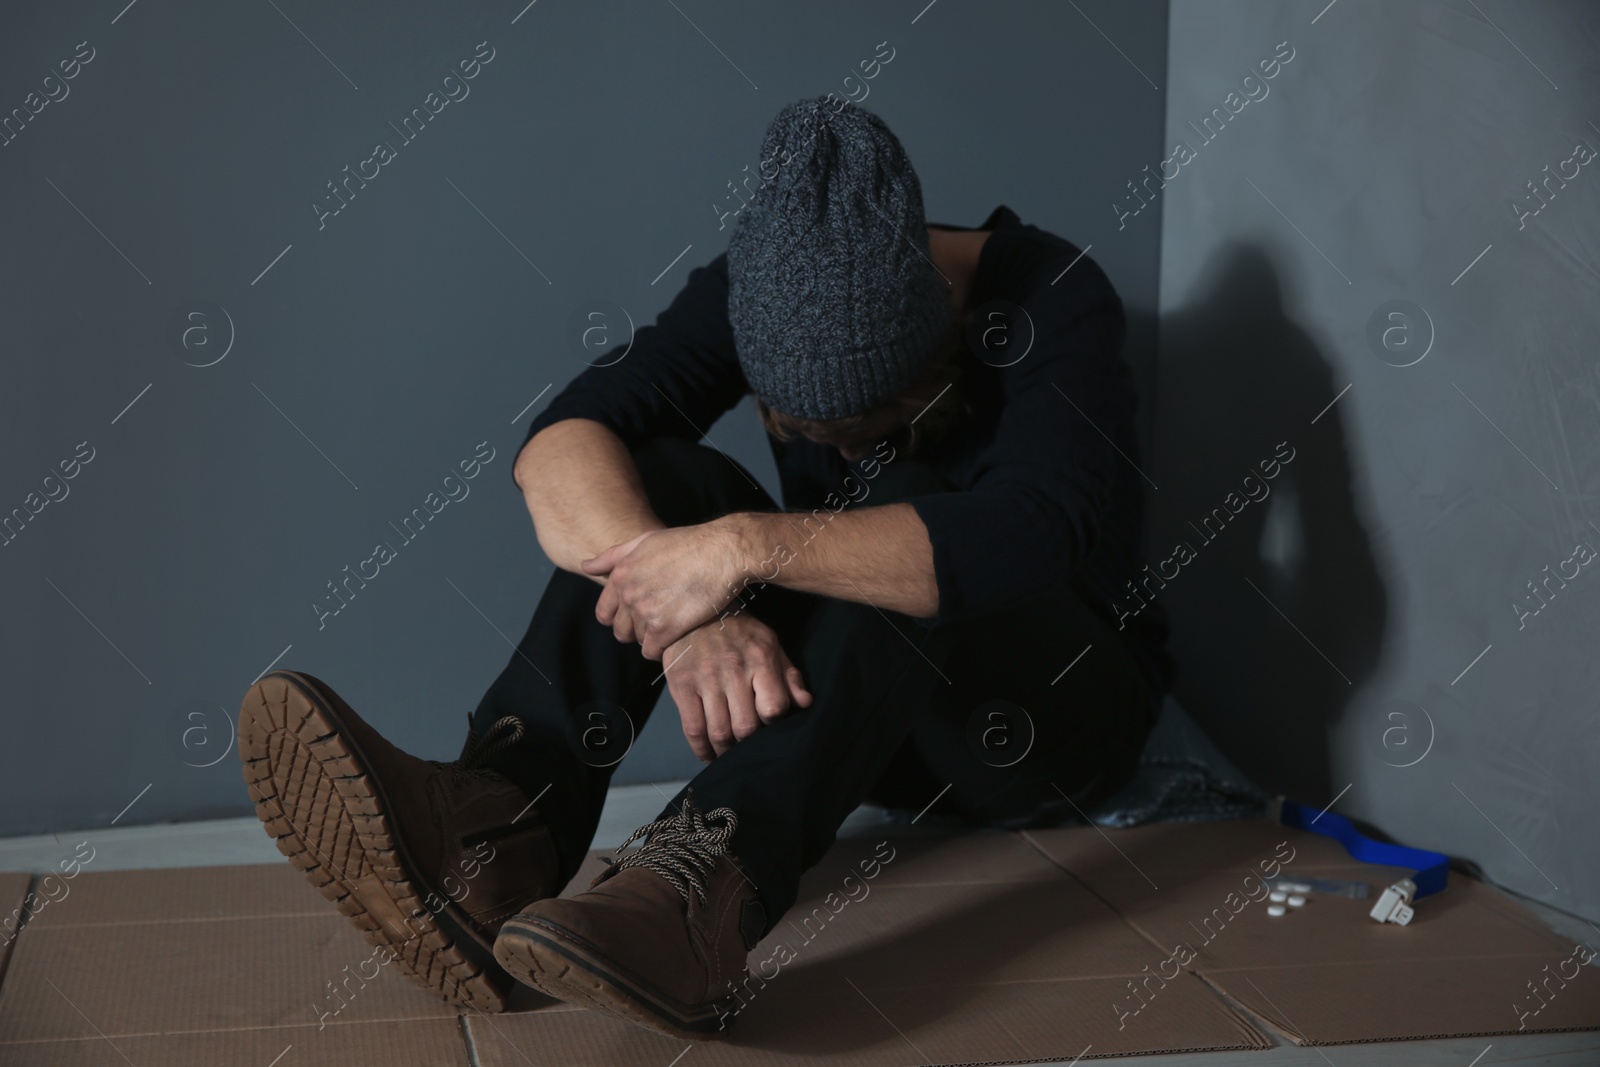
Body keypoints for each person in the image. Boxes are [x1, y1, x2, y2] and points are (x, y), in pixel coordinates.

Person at [237, 95, 1174, 1041]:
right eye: (801, 428)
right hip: (865, 721)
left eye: (860, 425)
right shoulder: (760, 281)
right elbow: (563, 443)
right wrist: (692, 615)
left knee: (905, 509)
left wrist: (737, 550)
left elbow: (1031, 533)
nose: (827, 448)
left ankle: (695, 897)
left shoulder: (1051, 296)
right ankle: (496, 834)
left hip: (1053, 726)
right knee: (666, 475)